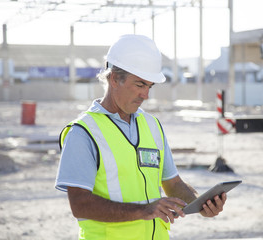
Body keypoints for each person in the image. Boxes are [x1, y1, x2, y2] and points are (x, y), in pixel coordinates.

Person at [55, 34, 227, 240]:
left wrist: (201, 203)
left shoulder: (152, 126)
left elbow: (172, 184)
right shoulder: (83, 133)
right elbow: (80, 205)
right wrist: (144, 210)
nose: (146, 95)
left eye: (149, 86)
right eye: (139, 85)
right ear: (114, 79)